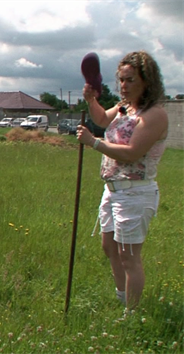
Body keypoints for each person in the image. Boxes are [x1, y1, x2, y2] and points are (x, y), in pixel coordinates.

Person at [76, 50, 168, 312]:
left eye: (129, 80)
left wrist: (94, 142)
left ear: (147, 81)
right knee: (109, 248)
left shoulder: (154, 114)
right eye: (120, 80)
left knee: (129, 256)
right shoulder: (125, 108)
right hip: (113, 190)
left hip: (135, 193)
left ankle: (132, 315)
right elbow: (102, 119)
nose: (123, 86)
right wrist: (91, 100)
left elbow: (133, 153)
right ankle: (122, 299)